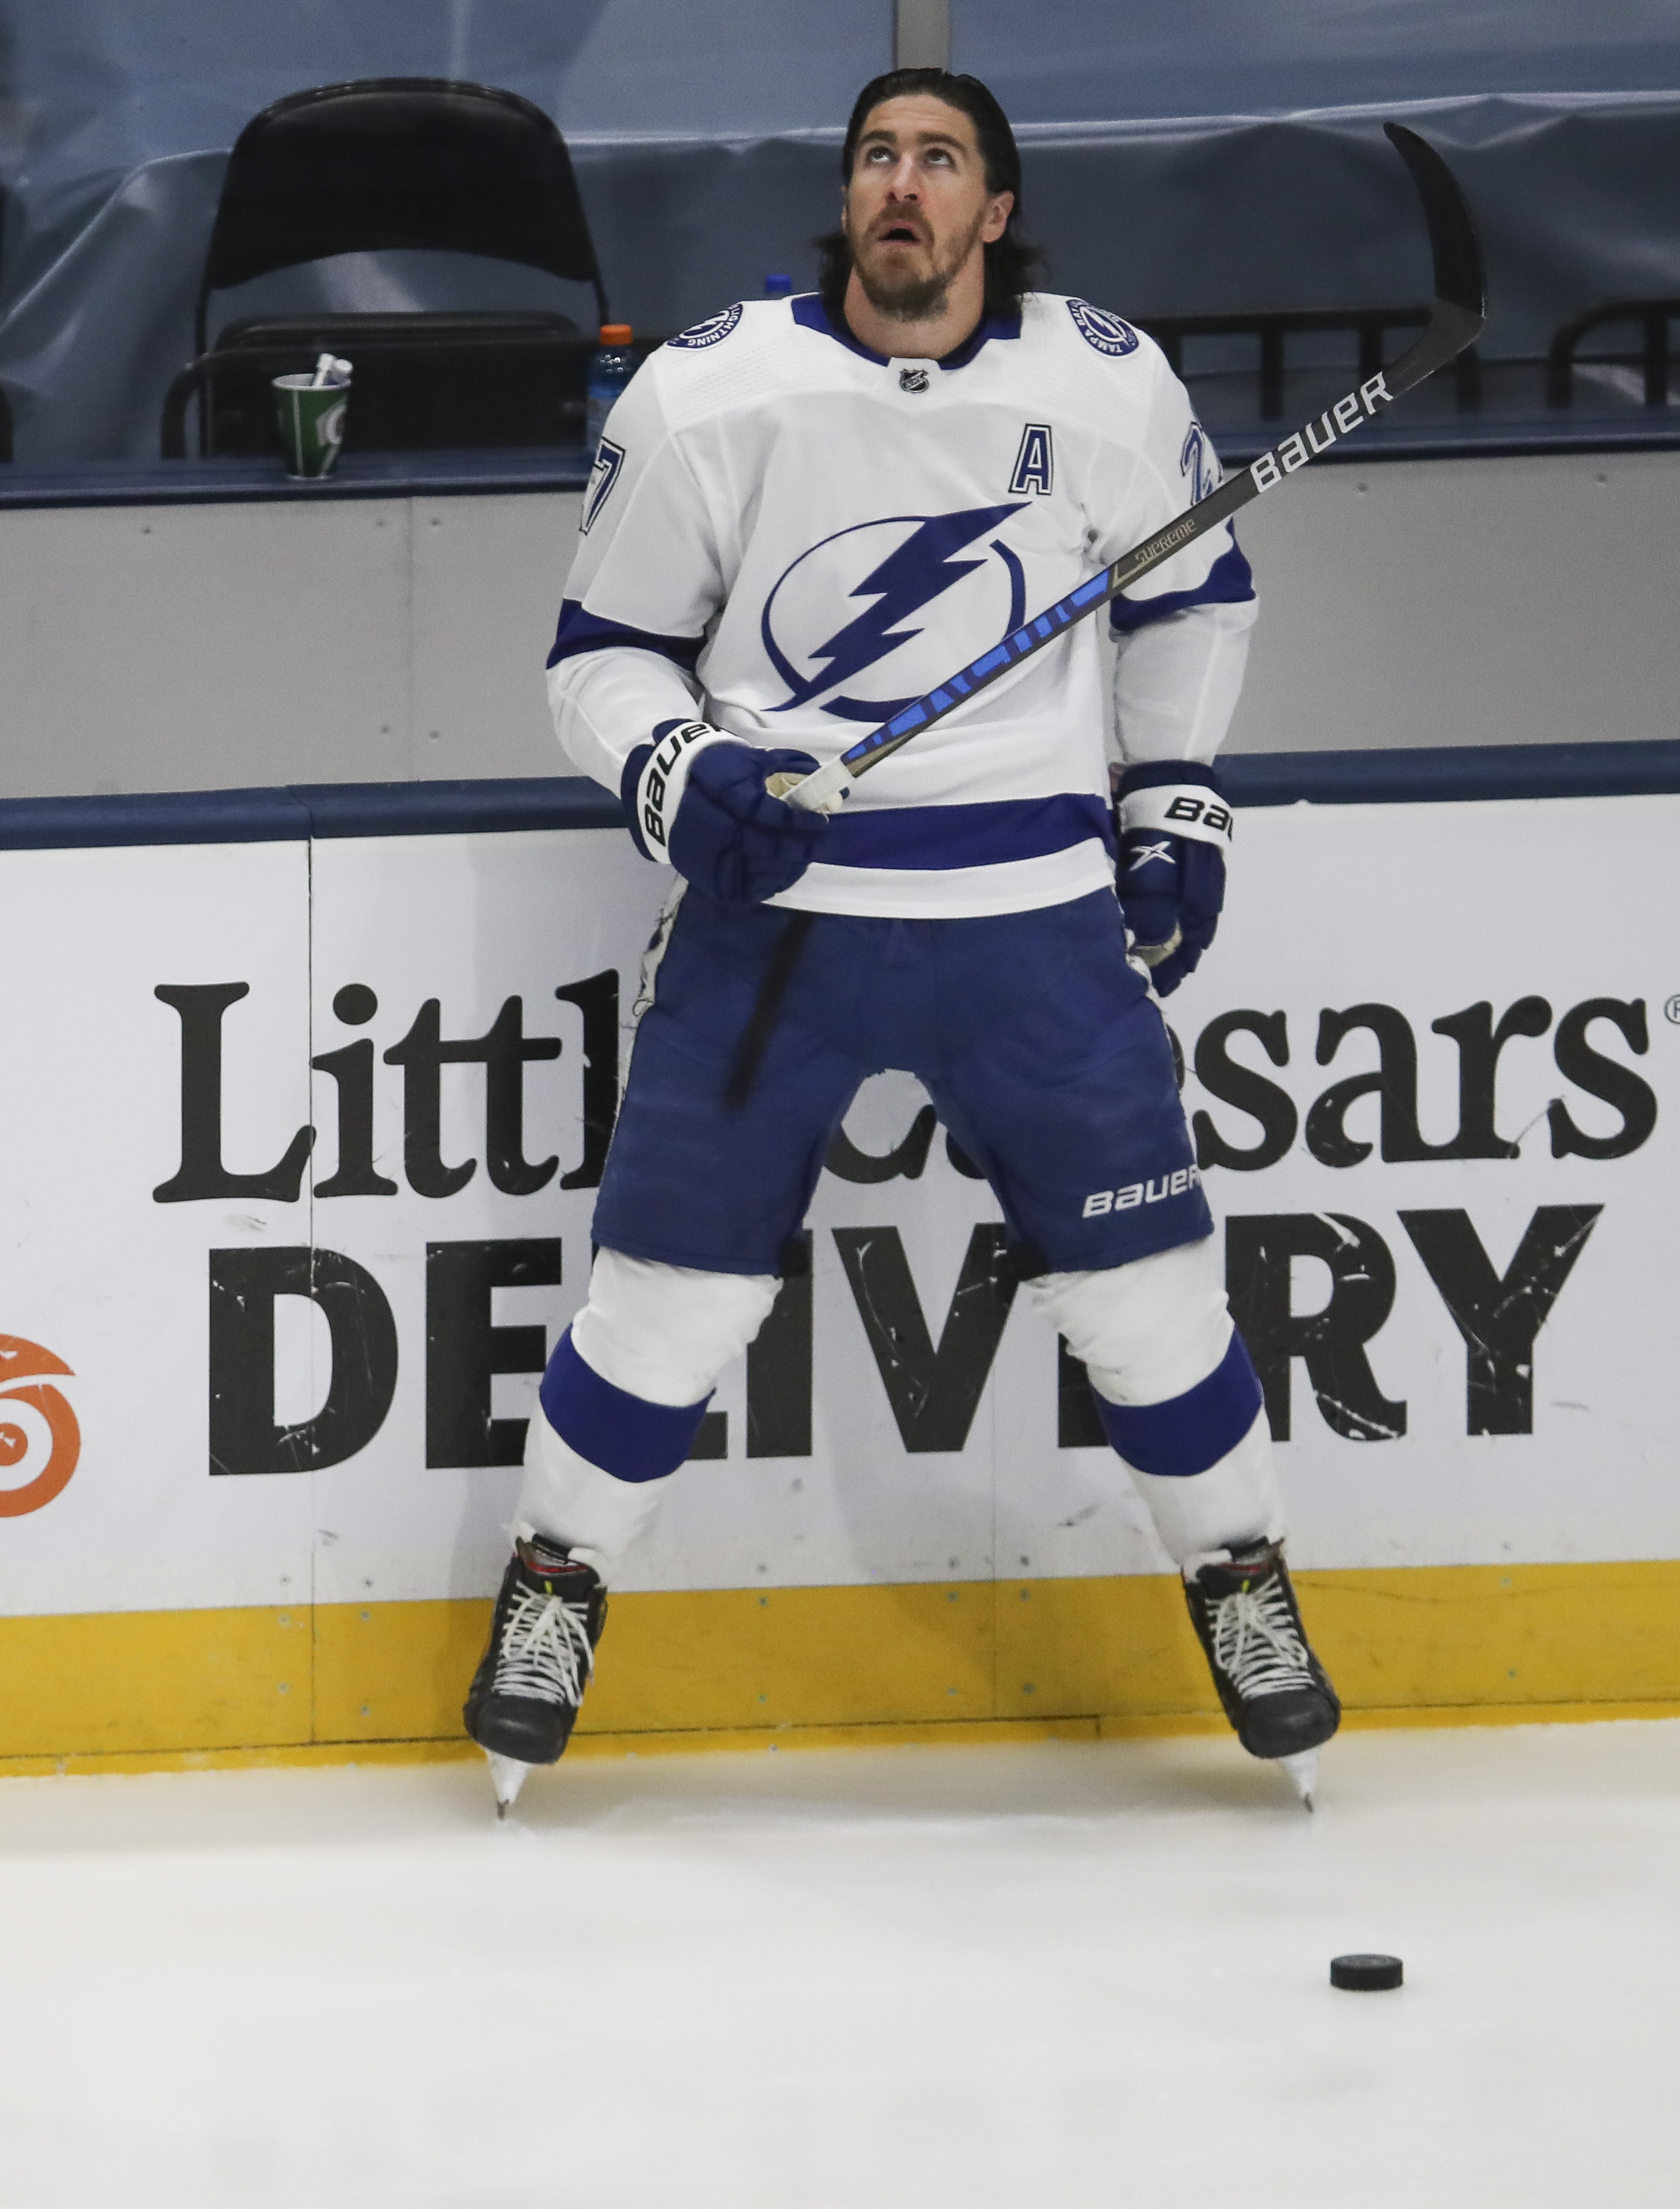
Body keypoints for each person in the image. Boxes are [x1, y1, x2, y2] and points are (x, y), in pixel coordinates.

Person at [463, 69, 1333, 1810]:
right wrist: (677, 769)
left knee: (1150, 1304)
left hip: (1033, 924)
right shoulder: (717, 390)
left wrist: (1169, 798)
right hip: (782, 923)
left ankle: (1242, 1578)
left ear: (994, 209)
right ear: (846, 196)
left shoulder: (1101, 383)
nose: (903, 187)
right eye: (878, 158)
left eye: (941, 162)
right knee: (664, 1306)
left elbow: (1185, 601)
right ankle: (552, 1589)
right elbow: (599, 651)